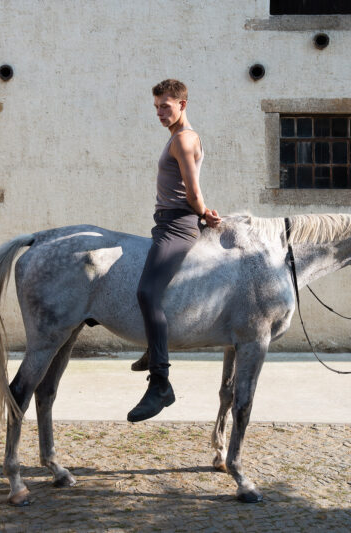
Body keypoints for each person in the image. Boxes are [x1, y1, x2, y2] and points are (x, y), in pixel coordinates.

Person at [127, 79, 221, 423]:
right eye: (156, 107)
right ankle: (154, 348)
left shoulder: (182, 139)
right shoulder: (179, 137)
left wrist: (203, 212)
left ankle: (160, 382)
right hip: (167, 222)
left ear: (183, 103)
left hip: (177, 226)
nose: (159, 113)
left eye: (165, 106)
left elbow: (193, 192)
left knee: (148, 293)